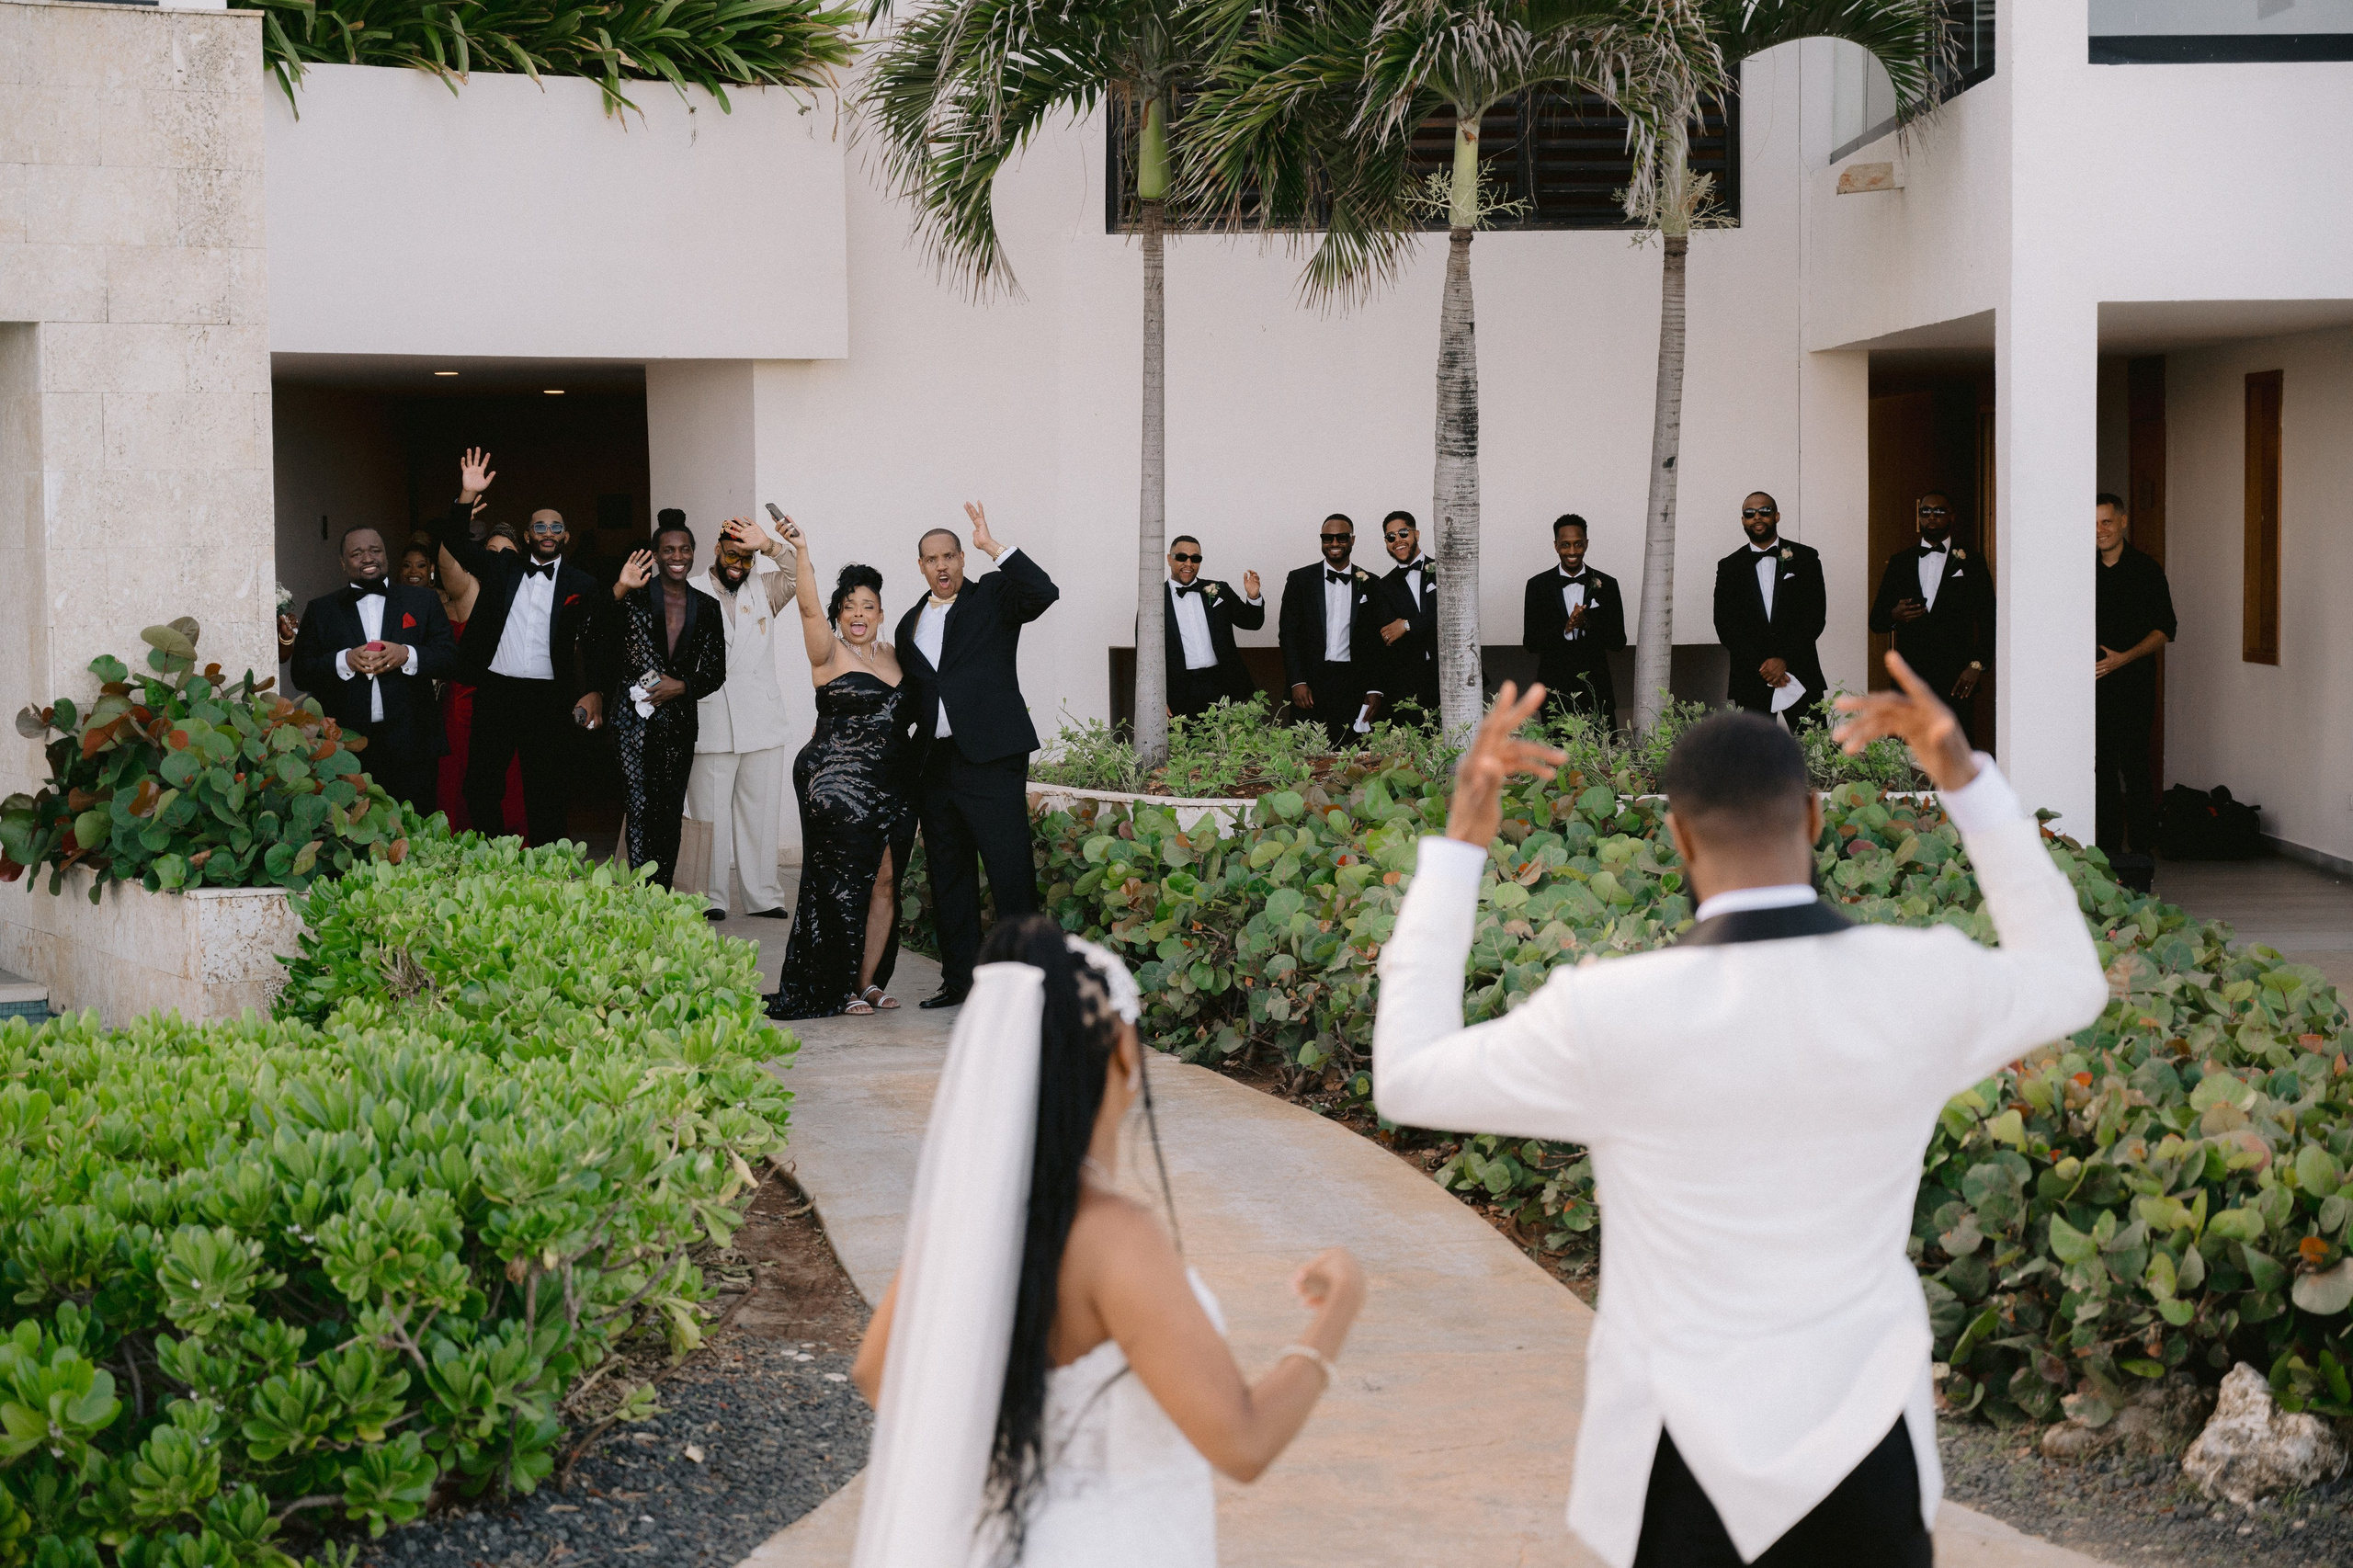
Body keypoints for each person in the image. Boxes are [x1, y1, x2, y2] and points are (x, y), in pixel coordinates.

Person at [1372, 664, 2107, 1568]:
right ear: (1814, 818)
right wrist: (1964, 777)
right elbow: (2072, 978)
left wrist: (1459, 844)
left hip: (1678, 1465)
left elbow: (1406, 1076)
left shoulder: (1607, 1012)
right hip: (1865, 1448)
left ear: (1677, 834)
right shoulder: (1919, 980)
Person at [849, 915, 1364, 1566]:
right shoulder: (1114, 1237)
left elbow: (877, 1374)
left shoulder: (971, 1216)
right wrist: (1340, 1308)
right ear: (1124, 1052)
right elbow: (1244, 1441)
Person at [894, 504, 1062, 1009]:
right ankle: (960, 981)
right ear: (920, 566)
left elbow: (1044, 592)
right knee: (949, 876)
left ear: (962, 558)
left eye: (949, 556)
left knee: (1010, 873)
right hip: (936, 765)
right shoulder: (908, 623)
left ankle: (1025, 985)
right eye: (931, 559)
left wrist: (996, 547)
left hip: (991, 758)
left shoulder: (992, 596)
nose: (941, 566)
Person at [767, 525, 918, 1020]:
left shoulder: (896, 655)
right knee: (841, 883)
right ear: (837, 614)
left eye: (868, 605)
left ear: (880, 613)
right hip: (836, 782)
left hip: (893, 785)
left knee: (884, 881)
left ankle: (867, 982)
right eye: (850, 605)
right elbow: (807, 605)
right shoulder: (827, 652)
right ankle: (834, 986)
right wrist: (801, 550)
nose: (859, 614)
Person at [429, 449, 602, 845]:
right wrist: (466, 494)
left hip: (547, 696)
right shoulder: (501, 568)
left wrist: (593, 690)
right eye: (539, 527)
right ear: (527, 537)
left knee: (546, 789)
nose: (547, 533)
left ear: (566, 536)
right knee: (480, 786)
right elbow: (455, 540)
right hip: (496, 690)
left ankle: (547, 868)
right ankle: (496, 857)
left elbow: (595, 640)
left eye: (555, 527)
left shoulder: (582, 584)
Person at [595, 512, 728, 891]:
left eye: (685, 549)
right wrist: (619, 587)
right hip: (631, 722)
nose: (678, 556)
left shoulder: (707, 606)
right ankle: (639, 895)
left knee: (669, 813)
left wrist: (681, 686)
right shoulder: (632, 598)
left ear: (694, 553)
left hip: (680, 722)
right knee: (639, 807)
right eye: (668, 549)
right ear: (654, 554)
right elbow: (591, 629)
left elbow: (715, 672)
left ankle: (661, 893)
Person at [289, 526, 460, 811]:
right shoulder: (322, 609)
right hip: (346, 745)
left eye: (375, 551)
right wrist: (344, 660)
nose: (368, 558)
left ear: (386, 556)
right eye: (357, 553)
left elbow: (450, 659)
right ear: (343, 563)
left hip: (413, 742)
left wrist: (407, 654)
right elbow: (301, 672)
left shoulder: (423, 601)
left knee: (415, 827)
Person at [687, 515, 801, 922]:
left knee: (761, 814)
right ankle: (710, 897)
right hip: (710, 717)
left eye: (747, 557)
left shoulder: (766, 587)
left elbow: (801, 577)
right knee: (709, 816)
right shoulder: (691, 590)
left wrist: (769, 545)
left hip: (762, 718)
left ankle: (764, 895)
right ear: (717, 550)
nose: (738, 564)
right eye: (732, 554)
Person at [423, 507, 526, 833]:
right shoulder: (471, 590)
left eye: (508, 553)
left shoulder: (534, 592)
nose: (499, 559)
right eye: (491, 552)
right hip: (467, 702)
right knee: (463, 784)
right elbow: (448, 562)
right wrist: (460, 510)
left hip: (512, 703)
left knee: (510, 783)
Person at [1870, 491, 1992, 744]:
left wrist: (1977, 665)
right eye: (1925, 512)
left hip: (1957, 680)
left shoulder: (1973, 562)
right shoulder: (1899, 562)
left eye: (1939, 511)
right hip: (1910, 678)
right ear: (1919, 518)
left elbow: (1990, 618)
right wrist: (1895, 614)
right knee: (1907, 755)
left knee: (1956, 754)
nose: (1932, 517)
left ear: (1952, 516)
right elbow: (1876, 620)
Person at [2094, 493, 2177, 861]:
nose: (2099, 531)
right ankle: (2108, 850)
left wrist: (2123, 659)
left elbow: (2165, 630)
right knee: (2100, 767)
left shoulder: (2146, 569)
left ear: (2123, 522)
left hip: (2133, 686)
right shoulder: (2080, 570)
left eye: (2106, 522)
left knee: (2135, 765)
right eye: (2093, 524)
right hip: (2091, 686)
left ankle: (2142, 851)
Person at [1713, 493, 1827, 731]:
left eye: (1764, 511)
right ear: (1743, 520)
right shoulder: (1729, 566)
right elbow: (1725, 625)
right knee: (1755, 758)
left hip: (1800, 671)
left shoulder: (1806, 558)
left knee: (1817, 754)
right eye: (1749, 513)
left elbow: (1814, 616)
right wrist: (1765, 666)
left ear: (1776, 516)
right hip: (1751, 677)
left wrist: (1783, 659)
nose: (1757, 517)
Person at [1276, 515, 1387, 747]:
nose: (1334, 543)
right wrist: (1297, 681)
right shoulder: (1299, 580)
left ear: (1352, 540)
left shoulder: (1370, 583)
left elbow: (1377, 643)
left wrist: (1375, 687)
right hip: (1309, 682)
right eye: (1328, 537)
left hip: (1352, 683)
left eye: (1342, 537)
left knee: (1351, 751)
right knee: (1302, 749)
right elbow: (1288, 634)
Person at [1522, 514, 1626, 729]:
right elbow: (1530, 643)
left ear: (1586, 543)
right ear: (1555, 546)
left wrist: (1587, 623)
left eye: (1578, 544)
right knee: (1557, 758)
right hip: (1555, 692)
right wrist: (1565, 628)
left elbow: (1618, 641)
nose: (1572, 552)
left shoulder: (1607, 584)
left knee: (1600, 759)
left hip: (1597, 690)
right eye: (1565, 545)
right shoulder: (1537, 586)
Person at [1159, 536, 1265, 719]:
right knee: (1186, 745)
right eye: (1182, 557)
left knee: (1228, 744)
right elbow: (1145, 654)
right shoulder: (1154, 598)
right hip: (1180, 690)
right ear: (1169, 559)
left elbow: (1252, 623)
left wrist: (1253, 597)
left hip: (1222, 685)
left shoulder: (1217, 589)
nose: (1189, 563)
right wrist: (1157, 698)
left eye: (1195, 558)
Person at [1373, 511, 1440, 726]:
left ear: (1416, 534)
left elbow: (1449, 618)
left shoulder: (1445, 570)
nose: (1397, 541)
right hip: (1410, 683)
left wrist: (1407, 625)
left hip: (1451, 675)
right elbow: (1390, 635)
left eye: (1403, 533)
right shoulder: (1383, 587)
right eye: (1390, 537)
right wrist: (1422, 623)